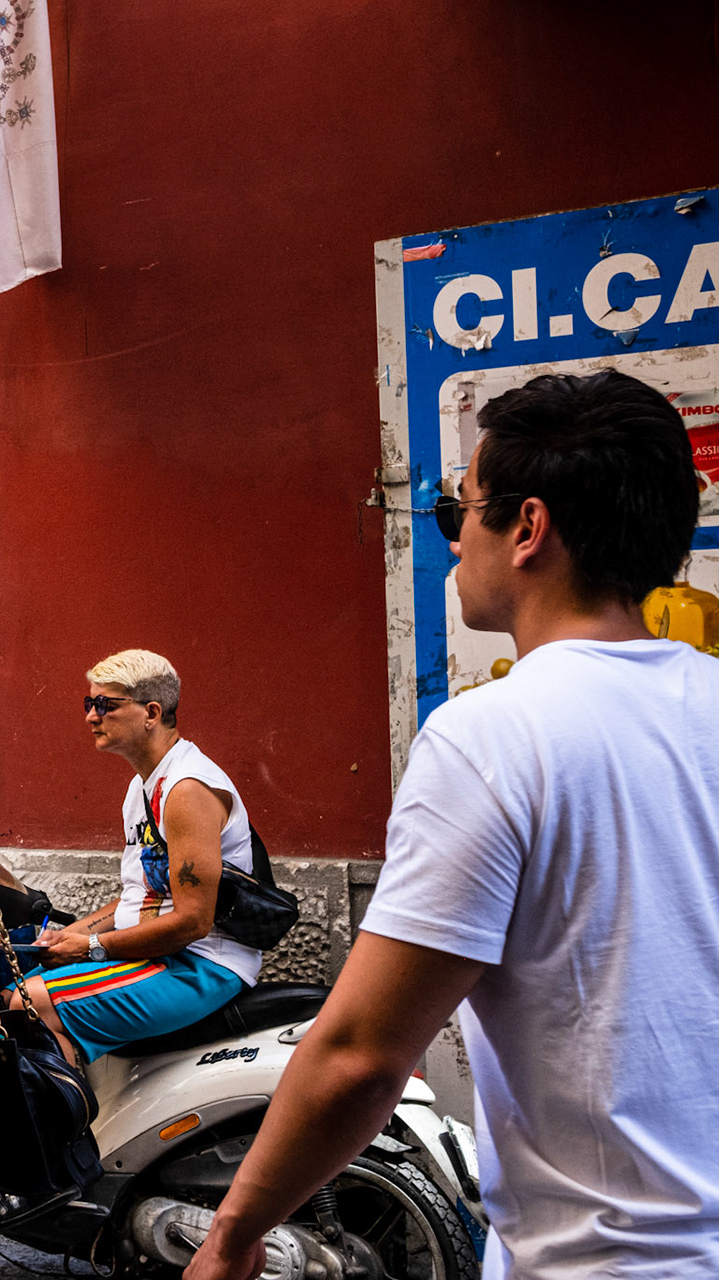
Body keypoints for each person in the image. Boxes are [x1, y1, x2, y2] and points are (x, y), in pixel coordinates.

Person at [185, 370, 719, 1280]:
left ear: (528, 528)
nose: (454, 539)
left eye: (456, 511)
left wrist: (232, 1238)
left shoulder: (491, 737)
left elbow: (362, 1055)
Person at [7, 649, 261, 1065]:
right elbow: (140, 895)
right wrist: (68, 936)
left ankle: (71, 1108)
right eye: (89, 703)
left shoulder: (187, 789)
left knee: (26, 1004)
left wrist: (90, 947)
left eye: (105, 704)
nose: (91, 716)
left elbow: (193, 922)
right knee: (6, 994)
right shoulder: (143, 786)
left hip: (201, 964)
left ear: (151, 713)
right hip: (156, 955)